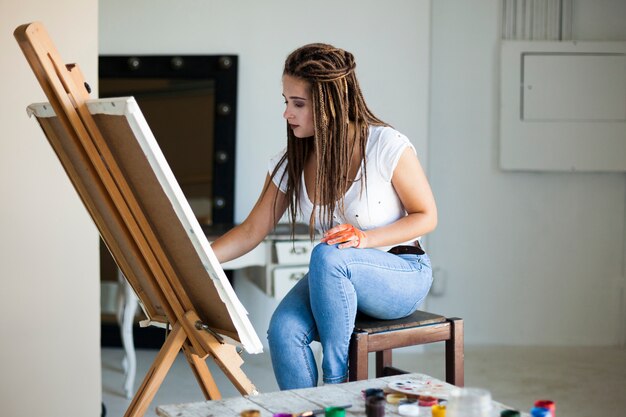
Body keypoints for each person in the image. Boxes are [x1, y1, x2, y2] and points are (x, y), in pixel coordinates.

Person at [210, 43, 437, 390]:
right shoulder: (292, 161)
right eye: (286, 101)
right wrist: (198, 259)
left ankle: (336, 389)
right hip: (335, 279)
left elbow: (427, 216)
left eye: (298, 104)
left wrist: (365, 239)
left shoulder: (386, 145)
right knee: (283, 331)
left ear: (331, 103)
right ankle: (303, 412)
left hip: (402, 274)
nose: (287, 113)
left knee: (329, 254)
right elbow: (251, 230)